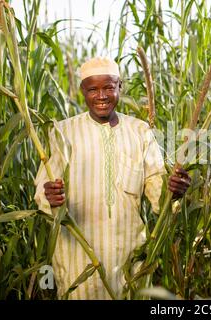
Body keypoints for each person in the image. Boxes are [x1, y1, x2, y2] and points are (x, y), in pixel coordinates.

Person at [34, 57, 191, 299]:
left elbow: (160, 197)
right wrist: (50, 197)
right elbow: (42, 195)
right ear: (82, 92)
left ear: (120, 87)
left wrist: (175, 190)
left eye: (109, 87)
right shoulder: (63, 132)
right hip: (78, 263)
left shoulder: (140, 132)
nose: (102, 96)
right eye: (93, 89)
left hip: (129, 265)